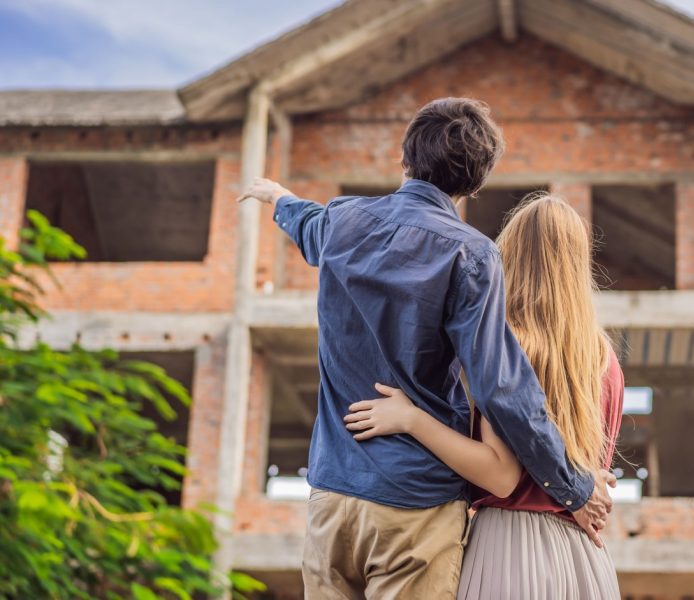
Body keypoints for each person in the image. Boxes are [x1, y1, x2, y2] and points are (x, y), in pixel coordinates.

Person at [236, 98, 615, 599]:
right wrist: (574, 487)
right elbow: (502, 388)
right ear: (474, 185)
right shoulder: (471, 254)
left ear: (404, 158)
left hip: (332, 496)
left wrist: (279, 198)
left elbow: (308, 223)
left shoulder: (342, 222)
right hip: (414, 508)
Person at [345, 193, 624, 599]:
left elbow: (499, 474)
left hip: (509, 551)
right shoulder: (606, 361)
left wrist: (411, 419)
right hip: (586, 559)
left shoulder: (506, 349)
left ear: (509, 252)